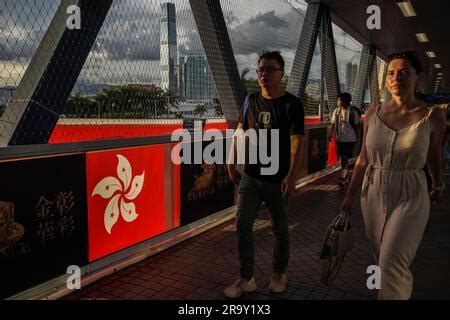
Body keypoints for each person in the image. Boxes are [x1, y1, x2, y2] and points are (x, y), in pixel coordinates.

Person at [341, 51, 446, 300]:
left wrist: (438, 185)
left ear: (417, 77)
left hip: (411, 193)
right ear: (385, 79)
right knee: (379, 254)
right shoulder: (373, 115)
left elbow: (433, 157)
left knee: (391, 262)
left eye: (404, 72)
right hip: (373, 193)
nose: (396, 77)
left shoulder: (434, 116)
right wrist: (348, 199)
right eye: (391, 73)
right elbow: (363, 160)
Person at [224, 51, 304, 298]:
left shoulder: (292, 104)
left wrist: (291, 176)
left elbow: (296, 142)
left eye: (270, 69)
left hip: (277, 179)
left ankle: (279, 272)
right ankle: (246, 278)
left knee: (280, 228)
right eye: (260, 70)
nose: (263, 74)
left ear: (282, 74)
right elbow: (240, 131)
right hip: (251, 175)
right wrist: (231, 159)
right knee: (242, 224)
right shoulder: (250, 100)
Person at [330, 92, 360, 189]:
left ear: (344, 101)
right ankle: (346, 175)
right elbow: (333, 123)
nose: (337, 101)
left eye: (339, 100)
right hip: (340, 138)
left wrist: (357, 138)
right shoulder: (337, 111)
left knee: (344, 157)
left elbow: (357, 125)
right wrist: (331, 134)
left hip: (350, 138)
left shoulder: (353, 112)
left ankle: (342, 178)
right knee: (343, 158)